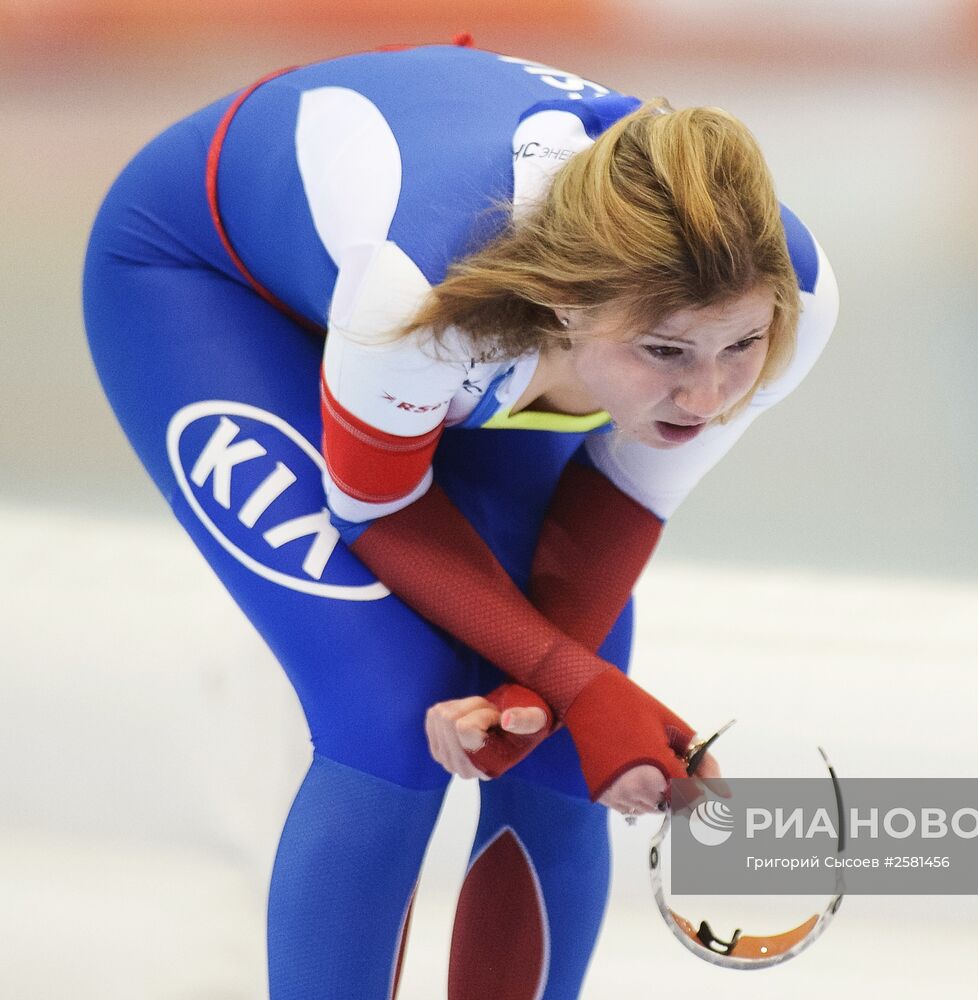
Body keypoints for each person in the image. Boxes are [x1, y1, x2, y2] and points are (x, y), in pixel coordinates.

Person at [83, 38, 838, 1000]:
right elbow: (381, 509)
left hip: (451, 334)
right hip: (208, 282)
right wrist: (573, 677)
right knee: (392, 713)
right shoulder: (429, 297)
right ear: (564, 309)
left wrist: (551, 691)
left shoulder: (795, 299)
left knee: (567, 736)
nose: (712, 392)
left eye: (741, 344)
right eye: (665, 352)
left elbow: (620, 499)